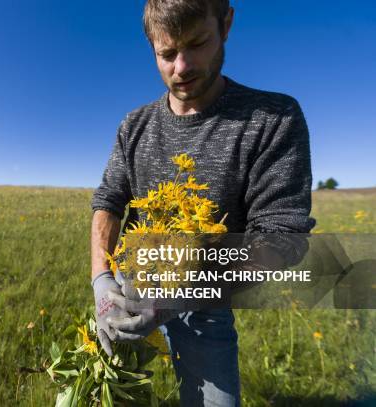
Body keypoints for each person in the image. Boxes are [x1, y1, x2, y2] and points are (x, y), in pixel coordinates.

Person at [90, 0, 316, 405]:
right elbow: (108, 201)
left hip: (205, 304)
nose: (182, 66)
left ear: (226, 24)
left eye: (197, 44)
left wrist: (178, 297)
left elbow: (283, 237)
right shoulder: (134, 125)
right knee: (109, 393)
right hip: (127, 289)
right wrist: (101, 282)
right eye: (167, 53)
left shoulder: (273, 118)